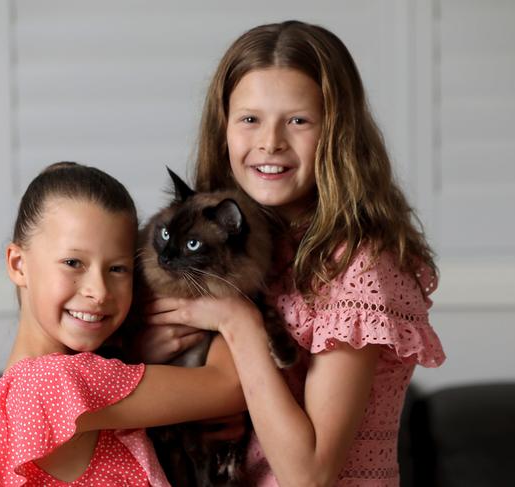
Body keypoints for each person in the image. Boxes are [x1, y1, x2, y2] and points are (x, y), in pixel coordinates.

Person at [145, 21, 445, 487]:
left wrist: (237, 322)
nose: (270, 142)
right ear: (223, 127)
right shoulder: (233, 249)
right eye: (250, 119)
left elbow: (309, 475)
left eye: (298, 120)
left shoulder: (358, 267)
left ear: (337, 133)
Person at [0, 162, 245, 486]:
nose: (98, 292)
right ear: (18, 265)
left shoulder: (22, 385)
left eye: (117, 269)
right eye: (73, 263)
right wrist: (234, 302)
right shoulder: (53, 383)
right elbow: (233, 385)